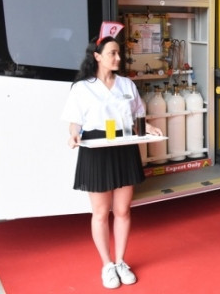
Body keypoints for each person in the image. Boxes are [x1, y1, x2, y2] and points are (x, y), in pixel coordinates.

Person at [61, 22, 162, 289]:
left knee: (122, 210)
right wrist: (73, 135)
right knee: (100, 212)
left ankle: (120, 261)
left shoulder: (127, 84)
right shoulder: (82, 88)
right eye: (112, 53)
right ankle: (107, 265)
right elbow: (74, 122)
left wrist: (150, 127)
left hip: (124, 145)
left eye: (119, 53)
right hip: (96, 148)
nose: (118, 58)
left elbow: (138, 115)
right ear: (97, 56)